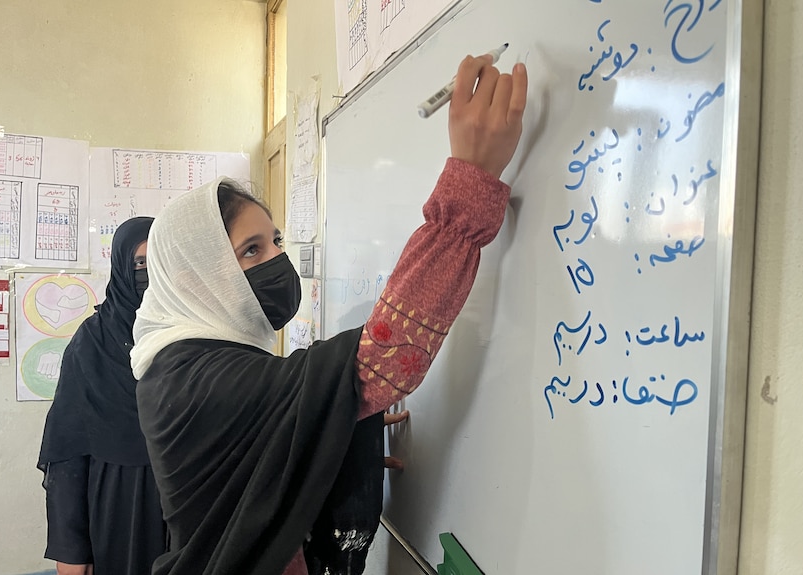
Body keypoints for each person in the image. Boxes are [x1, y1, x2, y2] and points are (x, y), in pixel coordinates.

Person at [130, 53, 528, 575]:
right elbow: (383, 360)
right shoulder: (196, 379)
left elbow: (259, 460)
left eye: (275, 241)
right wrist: (471, 181)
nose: (278, 260)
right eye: (251, 251)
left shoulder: (185, 360)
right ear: (192, 281)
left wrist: (337, 443)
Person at [38, 217, 166, 575]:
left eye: (161, 261)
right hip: (117, 512)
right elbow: (67, 454)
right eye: (140, 264)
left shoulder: (194, 334)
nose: (150, 274)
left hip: (188, 509)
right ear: (122, 268)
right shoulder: (92, 344)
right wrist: (72, 553)